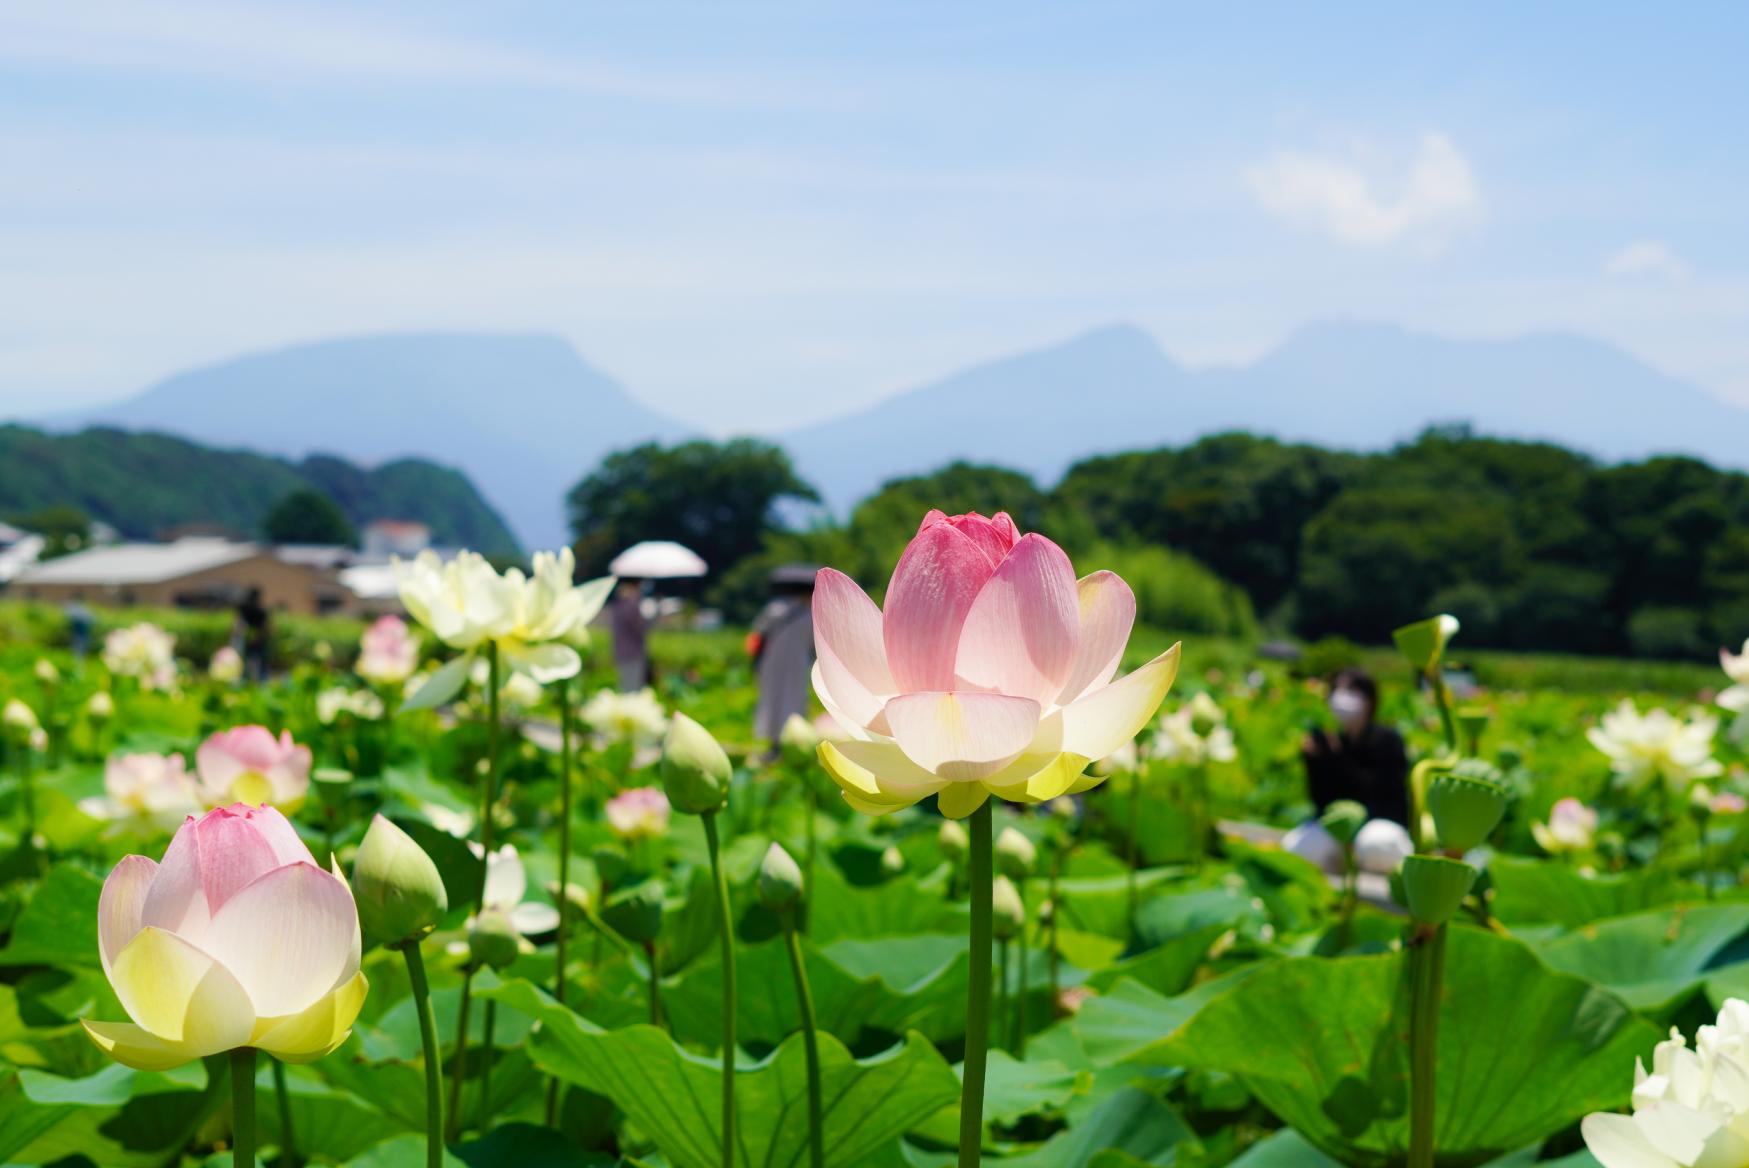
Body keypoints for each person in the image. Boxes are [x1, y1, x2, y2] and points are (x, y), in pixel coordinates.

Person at [1283, 668, 1412, 874]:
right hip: (1336, 827)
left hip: (1379, 822)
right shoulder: (1327, 740)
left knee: (1376, 844)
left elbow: (1377, 791)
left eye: (1351, 690)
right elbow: (1320, 800)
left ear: (1370, 699)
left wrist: (1337, 757)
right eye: (1336, 690)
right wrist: (1314, 762)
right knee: (1297, 848)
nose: (1341, 697)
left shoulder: (1388, 740)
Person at [749, 568, 816, 746]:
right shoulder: (810, 614)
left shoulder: (774, 610)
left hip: (774, 662)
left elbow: (759, 634)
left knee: (775, 698)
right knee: (791, 697)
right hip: (795, 662)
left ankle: (779, 741)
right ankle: (786, 741)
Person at [608, 579, 651, 692]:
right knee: (633, 689)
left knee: (624, 686)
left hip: (620, 651)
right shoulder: (631, 603)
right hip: (633, 652)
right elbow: (640, 627)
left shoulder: (618, 604)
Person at [235, 587, 270, 683]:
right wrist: (258, 637)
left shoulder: (243, 608)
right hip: (259, 638)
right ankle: (262, 681)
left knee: (244, 660)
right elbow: (265, 626)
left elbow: (239, 623)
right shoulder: (261, 610)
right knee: (261, 661)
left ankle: (244, 679)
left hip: (246, 637)